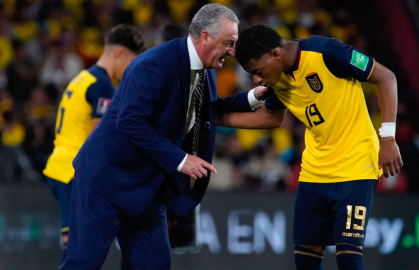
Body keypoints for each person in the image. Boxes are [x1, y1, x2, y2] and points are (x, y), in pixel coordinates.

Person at [61, 4, 279, 270]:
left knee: (154, 265)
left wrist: (251, 98)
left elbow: (208, 109)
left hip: (146, 187)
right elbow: (129, 121)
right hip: (107, 179)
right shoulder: (154, 63)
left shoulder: (206, 68)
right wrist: (180, 159)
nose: (233, 51)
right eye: (229, 43)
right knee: (84, 264)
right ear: (205, 37)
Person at [221, 24, 403, 270]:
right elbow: (273, 118)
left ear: (275, 54)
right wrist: (219, 120)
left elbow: (386, 77)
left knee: (348, 254)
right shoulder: (276, 77)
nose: (257, 80)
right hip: (314, 170)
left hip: (356, 165)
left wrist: (388, 138)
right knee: (305, 257)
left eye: (258, 71)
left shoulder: (326, 51)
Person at [43, 24, 146, 266]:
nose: (132, 68)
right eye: (133, 60)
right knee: (76, 248)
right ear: (120, 53)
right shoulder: (102, 85)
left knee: (75, 247)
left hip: (59, 165)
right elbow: (100, 137)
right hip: (72, 172)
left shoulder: (82, 78)